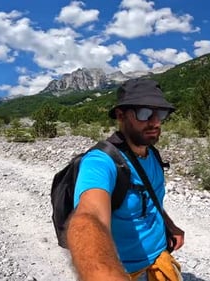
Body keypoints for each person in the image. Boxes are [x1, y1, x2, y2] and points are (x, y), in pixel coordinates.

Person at [66, 78, 185, 281]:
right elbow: (88, 217)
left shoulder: (152, 155)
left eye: (161, 113)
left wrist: (169, 225)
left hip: (160, 260)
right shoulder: (100, 162)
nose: (155, 121)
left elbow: (149, 198)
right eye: (145, 112)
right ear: (121, 115)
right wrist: (103, 274)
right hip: (125, 271)